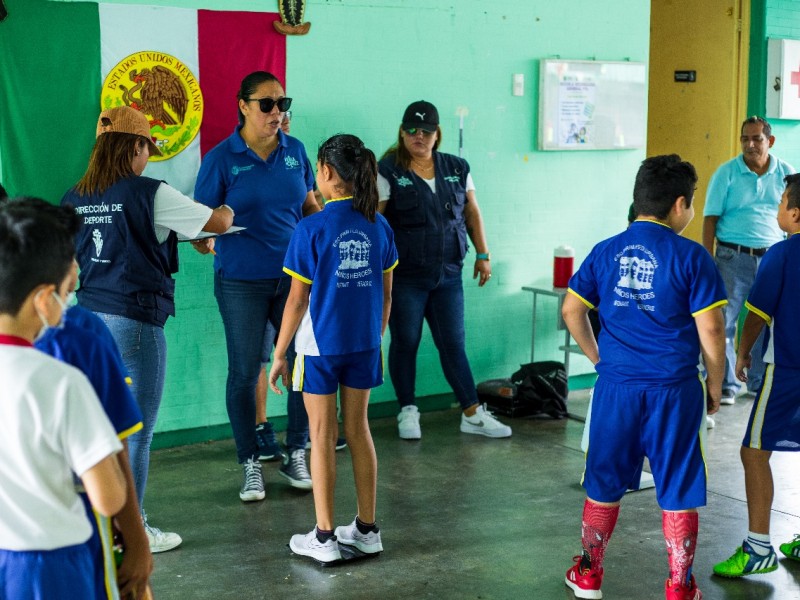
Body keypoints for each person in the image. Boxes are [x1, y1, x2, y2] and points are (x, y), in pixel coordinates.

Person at [62, 105, 234, 552]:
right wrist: (228, 210)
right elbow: (215, 222)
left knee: (99, 425)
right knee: (136, 431)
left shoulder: (74, 196)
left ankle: (101, 522)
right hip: (134, 324)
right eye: (147, 149)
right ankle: (131, 530)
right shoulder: (148, 192)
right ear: (134, 146)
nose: (147, 159)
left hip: (89, 319)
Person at [561, 155, 727, 600]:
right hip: (673, 390)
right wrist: (715, 384)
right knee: (677, 485)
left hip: (616, 389)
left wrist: (599, 360)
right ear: (679, 205)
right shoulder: (693, 257)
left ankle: (590, 575)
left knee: (604, 481)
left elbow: (572, 310)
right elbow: (711, 331)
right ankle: (679, 585)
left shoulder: (606, 250)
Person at [4, 196, 153, 599]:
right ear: (43, 297)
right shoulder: (62, 380)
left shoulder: (81, 336)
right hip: (65, 549)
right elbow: (108, 493)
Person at [269, 133, 398, 563]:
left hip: (319, 348)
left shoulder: (311, 228)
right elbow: (387, 295)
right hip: (363, 346)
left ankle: (324, 538)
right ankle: (366, 530)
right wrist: (373, 337)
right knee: (358, 430)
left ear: (325, 173)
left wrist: (279, 352)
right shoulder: (379, 226)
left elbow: (296, 300)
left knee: (322, 435)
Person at [194, 71, 319, 502]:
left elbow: (309, 207)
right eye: (267, 104)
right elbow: (199, 225)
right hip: (241, 282)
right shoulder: (221, 159)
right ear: (243, 106)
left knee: (302, 362)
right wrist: (205, 239)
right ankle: (250, 462)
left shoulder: (295, 152)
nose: (276, 113)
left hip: (293, 281)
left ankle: (296, 451)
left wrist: (326, 235)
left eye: (282, 104)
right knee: (246, 371)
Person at [378, 100, 511, 440]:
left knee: (453, 342)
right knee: (406, 341)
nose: (418, 137)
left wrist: (483, 254)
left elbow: (472, 213)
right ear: (402, 132)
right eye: (411, 130)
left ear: (438, 135)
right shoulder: (388, 169)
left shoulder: (457, 167)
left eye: (426, 131)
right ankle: (407, 410)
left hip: (448, 274)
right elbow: (376, 222)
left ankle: (471, 412)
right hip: (406, 277)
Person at [712, 173, 800, 578]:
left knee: (754, 451)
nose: (778, 208)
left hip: (787, 370)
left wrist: (742, 352)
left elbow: (758, 313)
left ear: (794, 213)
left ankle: (758, 547)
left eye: (782, 201)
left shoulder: (780, 255)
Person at [703, 116, 795, 405]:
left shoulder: (786, 173)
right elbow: (710, 218)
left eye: (756, 138)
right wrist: (707, 260)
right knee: (724, 323)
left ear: (770, 141)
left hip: (773, 257)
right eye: (745, 138)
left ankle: (756, 382)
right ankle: (727, 385)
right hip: (732, 256)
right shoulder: (726, 173)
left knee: (766, 322)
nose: (750, 144)